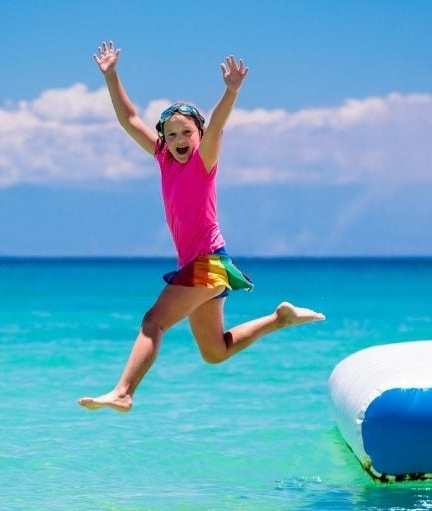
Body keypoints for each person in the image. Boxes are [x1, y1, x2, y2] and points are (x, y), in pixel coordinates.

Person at [78, 41, 325, 413]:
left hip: (208, 263)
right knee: (215, 352)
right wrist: (112, 76)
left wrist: (231, 92)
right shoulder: (163, 160)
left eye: (187, 133)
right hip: (202, 266)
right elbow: (129, 119)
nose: (179, 140)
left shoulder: (203, 161)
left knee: (153, 322)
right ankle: (279, 319)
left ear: (199, 135)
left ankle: (125, 391)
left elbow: (219, 126)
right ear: (164, 139)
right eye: (172, 134)